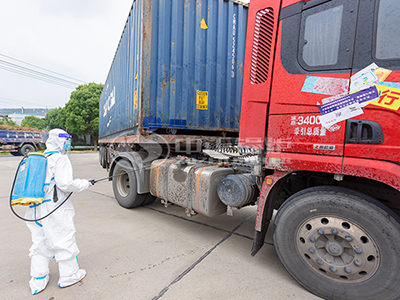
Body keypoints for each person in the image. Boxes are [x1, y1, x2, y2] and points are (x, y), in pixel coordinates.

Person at [25, 128, 92, 295]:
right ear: (59, 140)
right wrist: (85, 183)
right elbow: (65, 184)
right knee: (64, 239)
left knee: (40, 242)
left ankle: (38, 279)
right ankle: (69, 275)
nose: (68, 141)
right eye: (66, 138)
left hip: (34, 208)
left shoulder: (39, 158)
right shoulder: (59, 159)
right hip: (54, 209)